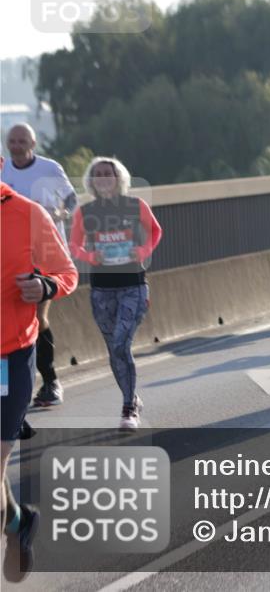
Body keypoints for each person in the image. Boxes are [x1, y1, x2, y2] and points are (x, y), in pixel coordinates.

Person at [2, 156, 79, 582]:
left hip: (9, 357)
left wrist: (45, 286)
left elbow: (66, 272)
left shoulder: (28, 215)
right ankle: (18, 523)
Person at [68, 157, 162, 429]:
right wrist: (89, 255)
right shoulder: (85, 213)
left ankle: (128, 408)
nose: (103, 178)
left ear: (119, 177)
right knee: (114, 349)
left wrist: (143, 251)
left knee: (121, 343)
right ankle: (131, 395)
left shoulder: (135, 206)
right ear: (91, 181)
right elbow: (74, 245)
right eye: (97, 174)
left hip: (133, 286)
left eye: (108, 173)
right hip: (101, 290)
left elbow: (155, 231)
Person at [1, 123, 77, 408]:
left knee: (37, 318)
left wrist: (60, 213)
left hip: (43, 256)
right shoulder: (4, 169)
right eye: (12, 141)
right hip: (10, 258)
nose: (17, 146)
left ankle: (50, 380)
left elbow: (71, 197)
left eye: (22, 141)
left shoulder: (49, 168)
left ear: (32, 144)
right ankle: (10, 398)